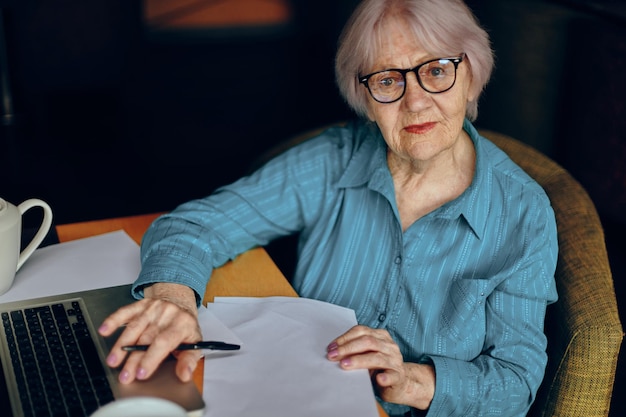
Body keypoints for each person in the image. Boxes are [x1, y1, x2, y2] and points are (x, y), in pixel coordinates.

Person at [98, 0, 558, 415]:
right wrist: (174, 299)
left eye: (436, 71)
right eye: (387, 80)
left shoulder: (523, 214)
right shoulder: (332, 160)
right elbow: (196, 226)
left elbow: (516, 383)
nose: (415, 101)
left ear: (471, 74)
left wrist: (414, 381)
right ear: (365, 98)